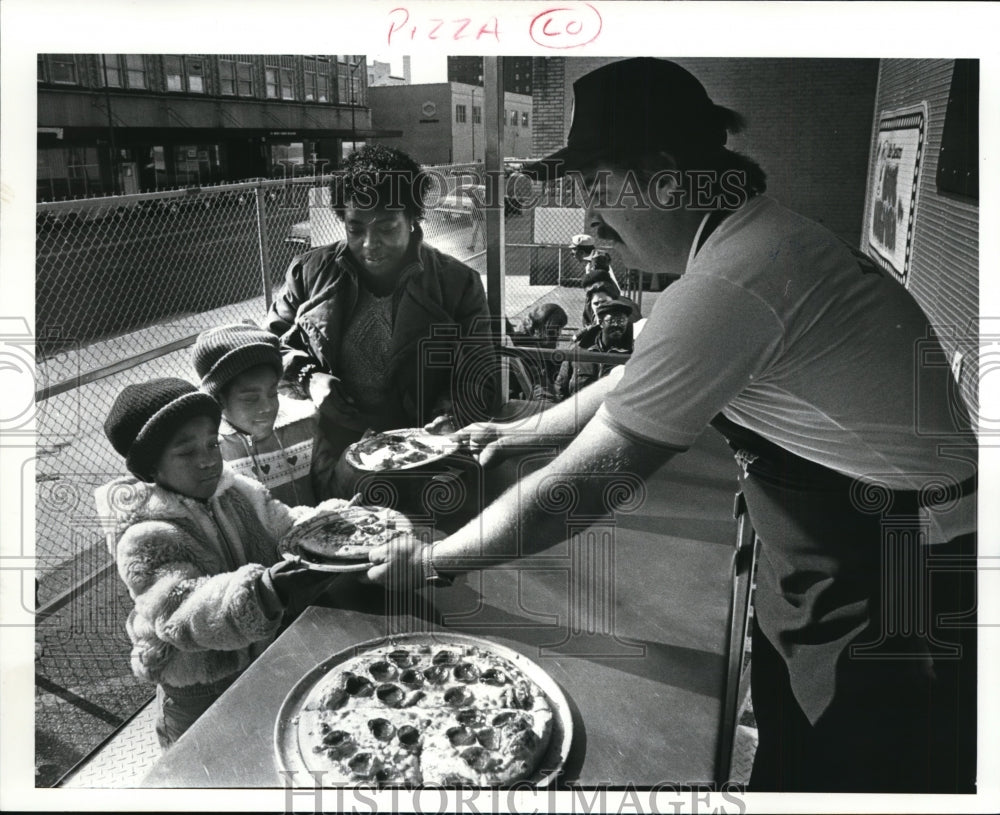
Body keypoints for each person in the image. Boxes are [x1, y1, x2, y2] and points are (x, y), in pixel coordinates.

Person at [366, 58, 977, 794]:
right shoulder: (749, 243)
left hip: (897, 573)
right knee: (793, 746)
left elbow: (587, 487)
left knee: (846, 773)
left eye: (597, 186)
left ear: (660, 178)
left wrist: (434, 559)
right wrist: (511, 436)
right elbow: (633, 377)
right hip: (840, 543)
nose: (589, 220)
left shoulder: (729, 281)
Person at [94, 378, 341, 747]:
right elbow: (180, 610)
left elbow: (287, 525)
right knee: (205, 758)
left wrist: (337, 524)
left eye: (211, 444)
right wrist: (262, 593)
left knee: (262, 739)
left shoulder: (238, 492)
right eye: (186, 452)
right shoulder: (145, 536)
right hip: (198, 684)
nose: (208, 459)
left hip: (259, 657)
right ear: (151, 468)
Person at [266, 144, 498, 489]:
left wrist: (449, 417)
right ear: (342, 219)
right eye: (355, 229)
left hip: (426, 462)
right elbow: (268, 347)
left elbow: (480, 375)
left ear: (413, 218)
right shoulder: (308, 273)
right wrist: (308, 377)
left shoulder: (457, 284)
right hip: (333, 459)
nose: (370, 244)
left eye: (387, 228)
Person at [192, 323, 337, 506]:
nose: (268, 407)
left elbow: (331, 491)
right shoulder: (213, 453)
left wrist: (353, 468)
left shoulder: (304, 427)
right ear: (219, 399)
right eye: (251, 399)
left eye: (272, 393)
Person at [554, 297, 634, 400]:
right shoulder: (578, 349)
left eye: (622, 321)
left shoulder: (634, 354)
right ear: (600, 322)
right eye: (611, 320)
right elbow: (560, 387)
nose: (617, 325)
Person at [506, 302, 569, 401]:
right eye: (557, 327)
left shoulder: (544, 343)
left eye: (561, 328)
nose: (559, 333)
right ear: (544, 324)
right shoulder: (524, 342)